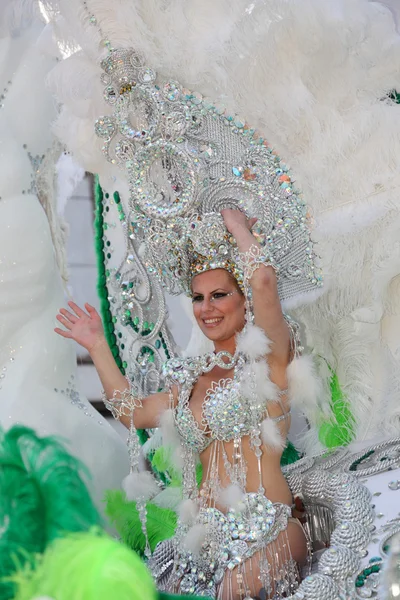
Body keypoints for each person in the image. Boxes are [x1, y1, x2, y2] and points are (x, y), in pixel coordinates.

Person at [55, 208, 311, 600]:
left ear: (245, 302)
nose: (206, 308)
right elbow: (132, 413)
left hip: (266, 531)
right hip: (198, 545)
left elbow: (262, 279)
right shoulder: (188, 381)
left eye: (220, 295)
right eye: (197, 298)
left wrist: (238, 229)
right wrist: (97, 346)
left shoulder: (269, 361)